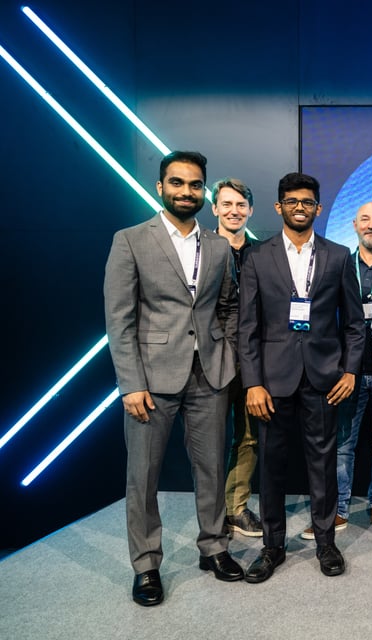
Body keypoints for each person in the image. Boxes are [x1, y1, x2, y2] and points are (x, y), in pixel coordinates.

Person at [104, 150, 244, 606]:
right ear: (160, 187)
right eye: (178, 183)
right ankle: (146, 565)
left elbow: (228, 306)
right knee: (143, 476)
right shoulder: (130, 240)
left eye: (195, 184)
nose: (187, 191)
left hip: (210, 376)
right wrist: (131, 384)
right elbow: (119, 319)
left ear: (204, 191)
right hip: (151, 380)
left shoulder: (219, 246)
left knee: (212, 468)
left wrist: (225, 355)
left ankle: (214, 547)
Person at [238, 172, 365, 583]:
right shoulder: (258, 256)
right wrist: (252, 382)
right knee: (271, 466)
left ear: (318, 208)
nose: (299, 207)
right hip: (272, 381)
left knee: (323, 464)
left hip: (324, 379)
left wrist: (350, 370)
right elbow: (247, 327)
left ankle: (326, 543)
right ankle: (272, 546)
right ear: (279, 207)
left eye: (307, 202)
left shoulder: (338, 256)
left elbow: (355, 325)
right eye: (291, 201)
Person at [301, 203, 372, 540]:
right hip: (347, 369)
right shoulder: (339, 264)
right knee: (343, 443)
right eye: (365, 219)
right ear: (354, 225)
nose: (371, 225)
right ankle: (339, 508)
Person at [211, 177, 262, 537]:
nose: (234, 211)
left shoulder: (262, 253)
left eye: (240, 205)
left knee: (248, 438)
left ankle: (236, 508)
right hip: (210, 360)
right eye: (227, 204)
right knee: (209, 441)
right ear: (214, 208)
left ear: (250, 210)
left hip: (253, 361)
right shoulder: (200, 250)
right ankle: (212, 514)